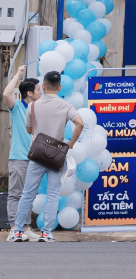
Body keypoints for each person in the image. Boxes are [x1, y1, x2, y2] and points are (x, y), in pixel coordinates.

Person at [9, 70, 85, 242]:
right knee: (53, 194)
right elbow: (80, 123)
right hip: (56, 155)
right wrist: (71, 143)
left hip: (37, 155)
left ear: (43, 86)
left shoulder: (33, 106)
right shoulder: (66, 105)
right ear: (60, 87)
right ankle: (46, 233)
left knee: (27, 193)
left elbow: (30, 130)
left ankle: (17, 231)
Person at [4, 59, 38, 232]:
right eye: (38, 89)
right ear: (30, 93)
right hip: (19, 159)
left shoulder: (39, 109)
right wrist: (18, 74)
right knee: (16, 194)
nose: (41, 92)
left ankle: (25, 226)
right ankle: (13, 227)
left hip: (35, 159)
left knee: (29, 195)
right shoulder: (17, 107)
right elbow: (6, 94)